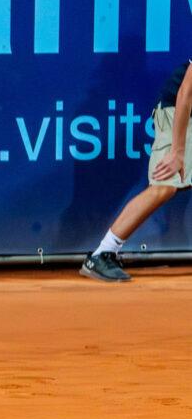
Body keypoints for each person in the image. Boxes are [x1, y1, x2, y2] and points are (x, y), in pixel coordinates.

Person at [81, 59, 192, 282]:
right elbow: (185, 94)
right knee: (165, 186)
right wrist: (177, 151)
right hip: (177, 112)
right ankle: (103, 253)